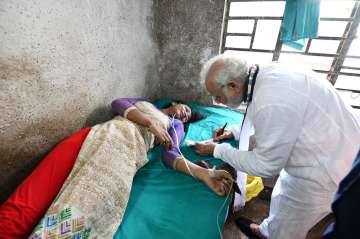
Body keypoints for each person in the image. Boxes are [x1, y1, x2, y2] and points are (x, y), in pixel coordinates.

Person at [194, 54, 360, 239]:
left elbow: (265, 165)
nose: (217, 102)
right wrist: (236, 132)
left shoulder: (270, 99)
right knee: (282, 202)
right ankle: (267, 231)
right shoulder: (263, 75)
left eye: (217, 96)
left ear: (233, 85)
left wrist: (218, 150)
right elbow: (279, 123)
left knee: (291, 220)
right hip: (342, 142)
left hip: (328, 168)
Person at [29, 98, 232, 238]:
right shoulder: (145, 104)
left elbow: (172, 155)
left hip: (131, 148)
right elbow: (118, 103)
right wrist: (150, 123)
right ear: (175, 103)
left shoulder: (174, 125)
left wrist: (205, 173)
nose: (184, 115)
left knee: (101, 196)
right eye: (185, 109)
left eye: (187, 117)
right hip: (111, 131)